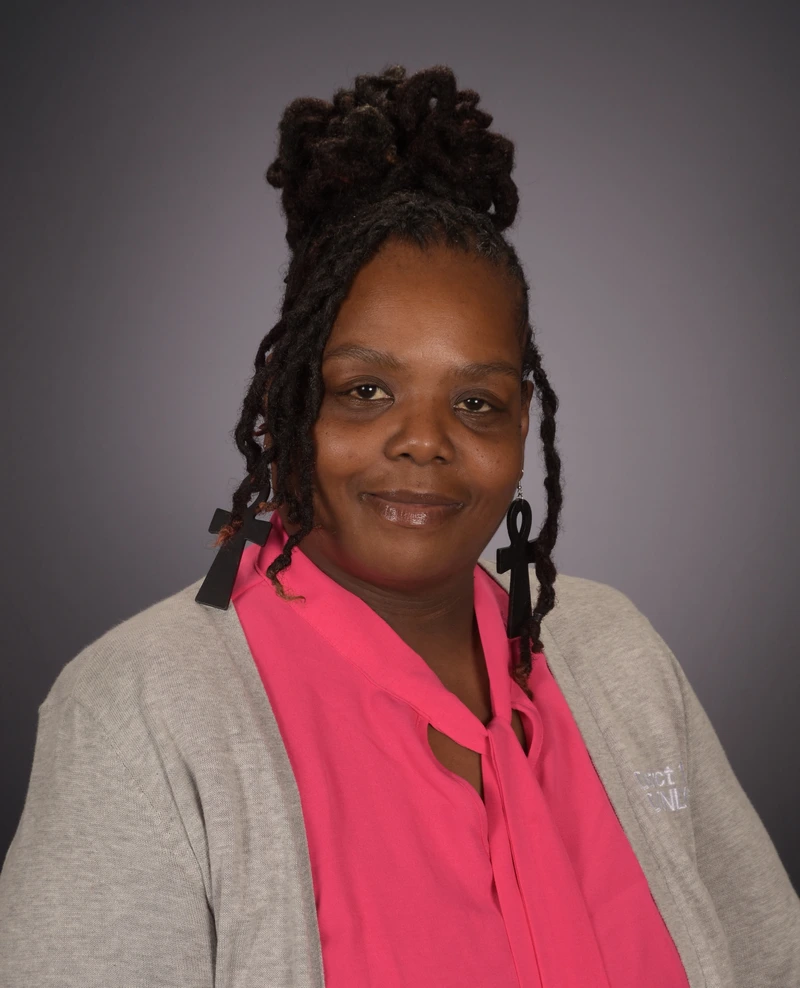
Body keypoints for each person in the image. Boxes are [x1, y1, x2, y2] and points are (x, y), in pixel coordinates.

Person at [0, 64, 798, 988]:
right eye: (366, 390)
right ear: (287, 404)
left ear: (523, 427)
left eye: (477, 402)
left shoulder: (615, 652)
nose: (424, 441)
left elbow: (769, 961)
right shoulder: (141, 710)